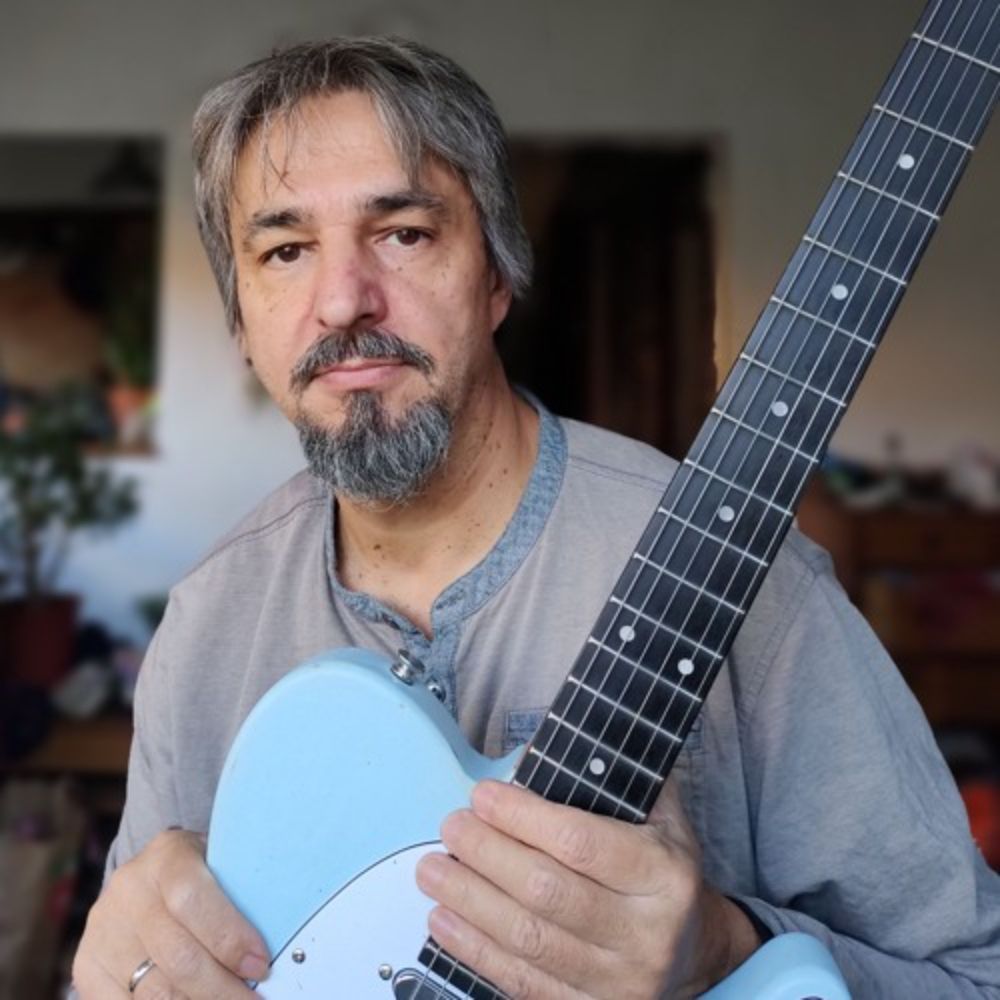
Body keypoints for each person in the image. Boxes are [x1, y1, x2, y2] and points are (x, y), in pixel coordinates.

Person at [72, 36, 1000, 999]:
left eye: (403, 233)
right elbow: (145, 963)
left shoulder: (748, 576)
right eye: (285, 251)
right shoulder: (208, 624)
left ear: (496, 277)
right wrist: (122, 969)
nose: (343, 301)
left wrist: (728, 949)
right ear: (242, 322)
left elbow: (975, 975)